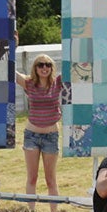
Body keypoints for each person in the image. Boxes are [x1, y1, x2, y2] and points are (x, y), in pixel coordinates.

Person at [20, 54, 65, 201]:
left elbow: (76, 66)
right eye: (40, 65)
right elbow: (9, 70)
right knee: (32, 177)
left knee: (50, 179)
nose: (44, 68)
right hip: (31, 135)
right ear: (35, 68)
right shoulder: (29, 83)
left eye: (48, 64)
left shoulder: (57, 82)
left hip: (51, 136)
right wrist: (12, 45)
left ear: (52, 67)